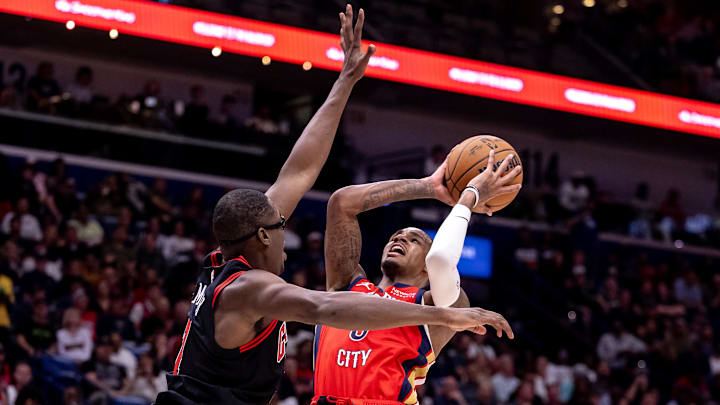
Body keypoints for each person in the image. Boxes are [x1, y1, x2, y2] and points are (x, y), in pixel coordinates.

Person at [155, 7, 505, 405]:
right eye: (281, 224)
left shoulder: (233, 254)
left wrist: (346, 80)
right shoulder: (251, 288)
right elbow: (325, 307)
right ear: (263, 235)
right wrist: (443, 316)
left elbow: (298, 172)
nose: (287, 231)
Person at [313, 150, 520, 404]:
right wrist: (428, 187)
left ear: (425, 268)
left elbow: (441, 260)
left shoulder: (440, 305)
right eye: (396, 236)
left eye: (414, 240)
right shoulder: (347, 285)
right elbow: (341, 202)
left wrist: (468, 198)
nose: (400, 239)